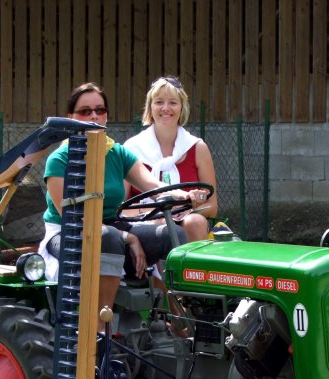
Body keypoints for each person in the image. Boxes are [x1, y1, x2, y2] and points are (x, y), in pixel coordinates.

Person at [39, 82, 206, 328]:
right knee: (108, 237)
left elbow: (153, 184)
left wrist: (184, 195)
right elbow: (72, 217)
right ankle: (99, 329)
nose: (94, 116)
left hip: (112, 229)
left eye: (100, 110)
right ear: (70, 118)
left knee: (175, 235)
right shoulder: (60, 160)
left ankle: (183, 321)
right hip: (70, 234)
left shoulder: (116, 153)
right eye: (85, 111)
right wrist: (128, 237)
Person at [123, 75, 218, 242]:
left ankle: (188, 269)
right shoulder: (131, 149)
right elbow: (120, 208)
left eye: (173, 102)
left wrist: (187, 208)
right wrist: (156, 212)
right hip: (145, 222)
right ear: (150, 107)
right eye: (159, 102)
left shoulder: (197, 147)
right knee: (163, 226)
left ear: (182, 108)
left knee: (195, 222)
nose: (165, 108)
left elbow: (212, 207)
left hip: (187, 221)